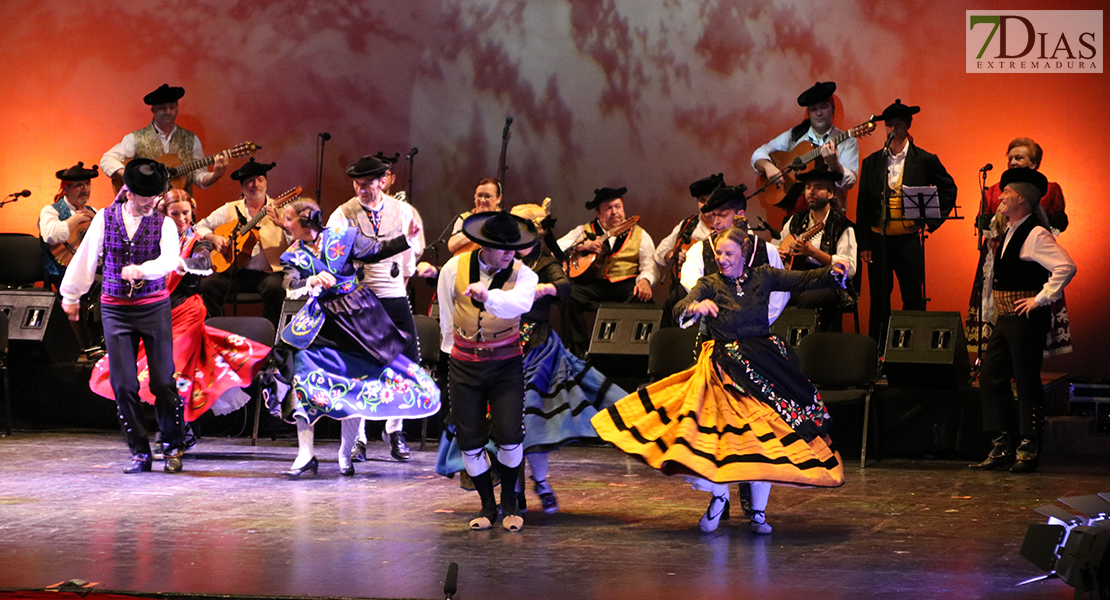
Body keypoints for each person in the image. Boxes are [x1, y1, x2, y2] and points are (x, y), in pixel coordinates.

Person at [592, 224, 849, 534]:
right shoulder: (709, 283)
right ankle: (719, 496)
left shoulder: (763, 276)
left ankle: (758, 511)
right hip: (723, 365)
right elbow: (679, 309)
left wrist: (835, 267)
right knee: (719, 436)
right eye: (719, 253)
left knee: (767, 433)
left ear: (744, 254)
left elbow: (806, 279)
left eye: (729, 253)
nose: (723, 258)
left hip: (763, 361)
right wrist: (695, 306)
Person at [435, 201, 627, 514]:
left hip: (535, 351)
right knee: (483, 430)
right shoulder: (459, 269)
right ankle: (499, 498)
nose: (513, 247)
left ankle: (531, 487)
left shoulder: (537, 266)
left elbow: (563, 288)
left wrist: (546, 289)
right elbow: (448, 318)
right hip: (481, 357)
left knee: (532, 425)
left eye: (520, 238)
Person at [270, 199, 440, 477]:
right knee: (302, 374)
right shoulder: (292, 255)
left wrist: (406, 239)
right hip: (318, 324)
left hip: (356, 319)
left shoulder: (343, 237)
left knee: (356, 382)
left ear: (305, 221)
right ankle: (305, 453)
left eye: (288, 219)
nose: (284, 223)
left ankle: (346, 449)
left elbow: (376, 250)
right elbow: (289, 283)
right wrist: (310, 282)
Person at [88, 189, 271, 422]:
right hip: (157, 313)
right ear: (164, 215)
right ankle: (176, 424)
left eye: (186, 213)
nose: (182, 218)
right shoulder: (153, 239)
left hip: (187, 312)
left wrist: (178, 263)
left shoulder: (198, 242)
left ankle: (179, 426)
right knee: (152, 371)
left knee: (177, 369)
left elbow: (203, 262)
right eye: (175, 214)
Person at [59, 159, 187, 474]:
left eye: (155, 198)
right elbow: (85, 259)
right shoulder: (105, 218)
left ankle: (172, 445)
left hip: (153, 307)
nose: (151, 204)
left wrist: (143, 270)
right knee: (124, 385)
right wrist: (71, 295)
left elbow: (170, 261)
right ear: (128, 192)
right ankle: (140, 452)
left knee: (162, 381)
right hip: (116, 309)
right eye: (145, 198)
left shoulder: (164, 224)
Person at [969, 168, 1075, 474]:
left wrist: (1040, 298)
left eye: (1007, 193)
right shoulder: (1011, 230)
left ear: (1023, 200)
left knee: (1026, 380)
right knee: (990, 376)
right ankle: (1001, 443)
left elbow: (1066, 267)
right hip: (1006, 317)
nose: (1000, 198)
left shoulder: (1036, 233)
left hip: (1025, 318)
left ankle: (1029, 446)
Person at [437, 210, 538, 532]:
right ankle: (486, 505)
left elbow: (519, 305)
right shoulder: (454, 268)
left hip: (505, 365)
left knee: (509, 437)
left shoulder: (525, 275)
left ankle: (509, 500)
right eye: (504, 248)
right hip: (464, 364)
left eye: (514, 248)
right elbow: (445, 313)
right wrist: (450, 355)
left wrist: (488, 296)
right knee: (470, 442)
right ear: (485, 245)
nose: (511, 253)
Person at [327, 155, 425, 462]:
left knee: (405, 363)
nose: (362, 189)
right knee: (359, 367)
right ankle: (358, 436)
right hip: (360, 297)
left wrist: (400, 285)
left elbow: (412, 251)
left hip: (394, 293)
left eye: (368, 183)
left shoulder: (403, 210)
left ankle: (395, 430)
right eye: (358, 183)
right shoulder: (344, 214)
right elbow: (335, 254)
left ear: (382, 181)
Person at [856, 100, 957, 345]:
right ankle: (877, 352)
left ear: (908, 126)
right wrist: (864, 244)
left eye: (897, 124)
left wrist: (930, 221)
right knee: (879, 298)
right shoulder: (872, 162)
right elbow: (863, 206)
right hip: (879, 239)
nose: (892, 129)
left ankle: (912, 349)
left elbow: (948, 189)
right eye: (888, 124)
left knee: (912, 296)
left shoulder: (924, 159)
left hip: (908, 240)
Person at [966, 137, 1070, 357]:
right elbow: (982, 220)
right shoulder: (995, 189)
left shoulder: (1048, 190)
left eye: (1019, 157)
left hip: (1028, 261)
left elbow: (1056, 222)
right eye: (1010, 157)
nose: (1013, 161)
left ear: (1033, 163)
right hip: (997, 255)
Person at [558, 187, 657, 356]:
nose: (614, 212)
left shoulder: (639, 234)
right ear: (599, 213)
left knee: (643, 298)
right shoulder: (584, 231)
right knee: (567, 293)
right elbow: (557, 248)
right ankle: (579, 349)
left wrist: (645, 280)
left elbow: (649, 264)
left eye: (618, 207)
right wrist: (582, 246)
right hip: (592, 285)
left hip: (623, 286)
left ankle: (628, 353)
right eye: (608, 208)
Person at [196, 158, 290, 325]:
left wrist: (283, 225)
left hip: (267, 274)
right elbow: (199, 227)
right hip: (235, 272)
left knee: (276, 289)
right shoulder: (230, 208)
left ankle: (270, 339)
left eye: (260, 180)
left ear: (266, 183)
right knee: (207, 286)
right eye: (249, 181)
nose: (256, 185)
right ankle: (218, 332)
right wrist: (214, 238)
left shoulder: (281, 210)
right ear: (242, 187)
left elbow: (297, 240)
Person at [751, 81, 859, 219]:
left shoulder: (846, 141)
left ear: (833, 110)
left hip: (830, 213)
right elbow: (759, 153)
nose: (819, 113)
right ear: (808, 113)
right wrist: (767, 166)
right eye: (813, 109)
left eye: (824, 107)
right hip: (796, 212)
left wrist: (834, 164)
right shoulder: (795, 136)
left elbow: (849, 183)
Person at [680, 185, 788, 322]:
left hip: (757, 329)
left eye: (723, 215)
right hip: (716, 327)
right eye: (714, 216)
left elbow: (780, 294)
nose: (716, 222)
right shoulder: (700, 249)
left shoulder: (767, 250)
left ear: (740, 215)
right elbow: (689, 278)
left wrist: (758, 322)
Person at [100, 84, 227, 194]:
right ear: (153, 110)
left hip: (179, 211)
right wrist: (131, 177)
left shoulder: (191, 139)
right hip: (145, 212)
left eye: (172, 107)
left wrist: (215, 175)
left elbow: (198, 176)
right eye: (162, 108)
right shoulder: (136, 138)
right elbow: (107, 159)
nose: (168, 111)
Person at [777, 167, 858, 331]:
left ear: (830, 194)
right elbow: (776, 244)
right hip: (799, 279)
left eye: (818, 187)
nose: (811, 192)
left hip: (831, 284)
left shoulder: (842, 226)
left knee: (808, 299)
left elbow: (849, 269)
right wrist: (779, 252)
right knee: (775, 294)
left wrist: (814, 253)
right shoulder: (795, 220)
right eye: (808, 187)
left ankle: (809, 345)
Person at [39, 162, 102, 354]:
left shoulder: (95, 212)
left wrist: (95, 220)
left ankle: (100, 339)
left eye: (88, 185)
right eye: (80, 185)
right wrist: (75, 219)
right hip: (61, 269)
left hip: (89, 268)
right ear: (65, 188)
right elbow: (51, 236)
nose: (86, 190)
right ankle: (86, 342)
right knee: (101, 284)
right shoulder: (51, 211)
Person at [655, 174, 722, 328]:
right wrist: (672, 254)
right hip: (690, 285)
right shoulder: (687, 225)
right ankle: (671, 344)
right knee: (674, 300)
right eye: (702, 201)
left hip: (720, 284)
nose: (706, 205)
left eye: (710, 199)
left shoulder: (730, 224)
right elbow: (661, 250)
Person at [446, 177, 503, 255]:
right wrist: (476, 230)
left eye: (487, 196)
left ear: (498, 199)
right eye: (479, 195)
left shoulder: (506, 220)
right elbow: (451, 246)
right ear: (475, 197)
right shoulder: (465, 218)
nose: (482, 200)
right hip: (466, 264)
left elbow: (522, 251)